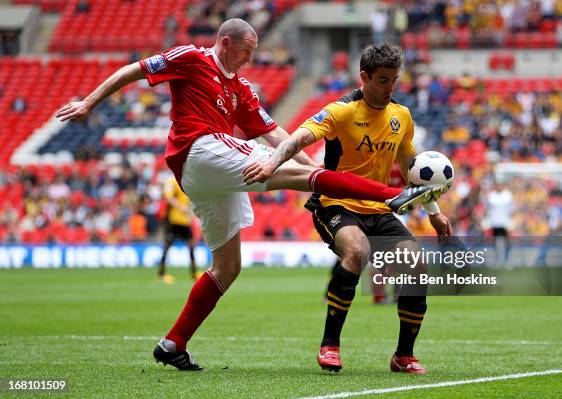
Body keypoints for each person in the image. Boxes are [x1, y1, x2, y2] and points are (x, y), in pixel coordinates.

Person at [56, 19, 442, 371]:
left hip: (209, 178)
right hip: (200, 149)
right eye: (248, 51)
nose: (251, 59)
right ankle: (390, 194)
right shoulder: (192, 57)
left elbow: (275, 134)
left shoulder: (241, 89)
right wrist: (89, 102)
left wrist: (312, 170)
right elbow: (135, 69)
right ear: (226, 43)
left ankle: (173, 343)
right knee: (288, 173)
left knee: (228, 267)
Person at [245, 43, 453, 374]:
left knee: (416, 264)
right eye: (383, 80)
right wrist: (272, 163)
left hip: (379, 209)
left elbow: (413, 170)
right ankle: (330, 345)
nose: (390, 89)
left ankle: (404, 355)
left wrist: (435, 212)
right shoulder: (341, 111)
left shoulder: (401, 116)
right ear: (364, 77)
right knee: (356, 252)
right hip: (336, 204)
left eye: (394, 80)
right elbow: (298, 139)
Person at [158, 176, 198, 283]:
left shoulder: (185, 181)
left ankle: (194, 273)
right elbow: (169, 198)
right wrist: (182, 208)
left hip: (184, 221)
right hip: (173, 220)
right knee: (167, 246)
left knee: (191, 245)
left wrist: (189, 212)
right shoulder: (171, 181)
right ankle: (161, 274)